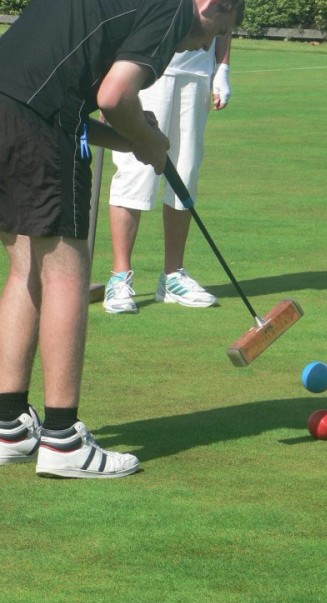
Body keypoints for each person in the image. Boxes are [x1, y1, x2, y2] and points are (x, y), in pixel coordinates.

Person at [0, 0, 244, 479]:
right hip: (38, 127)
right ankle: (63, 440)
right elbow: (114, 96)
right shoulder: (174, 9)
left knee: (26, 266)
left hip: (8, 109)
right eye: (217, 32)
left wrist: (135, 141)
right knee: (67, 273)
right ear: (212, 6)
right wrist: (150, 141)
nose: (204, 45)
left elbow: (55, 100)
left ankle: (8, 427)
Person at [104, 37, 233, 314]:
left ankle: (172, 277)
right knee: (134, 172)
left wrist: (223, 68)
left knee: (185, 173)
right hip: (145, 66)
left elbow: (224, 12)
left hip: (197, 71)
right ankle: (119, 277)